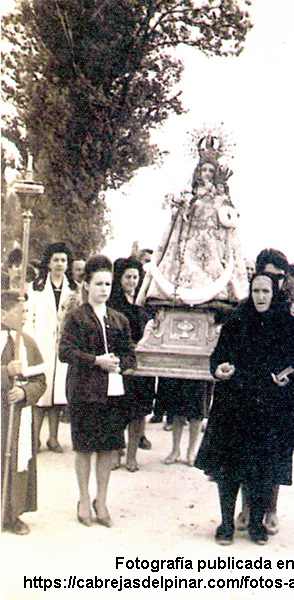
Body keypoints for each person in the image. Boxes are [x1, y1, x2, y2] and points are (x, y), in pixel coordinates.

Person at [195, 273, 294, 545]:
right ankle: (226, 524)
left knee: (262, 468)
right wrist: (219, 369)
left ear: (273, 293)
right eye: (256, 291)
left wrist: (287, 375)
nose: (260, 296)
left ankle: (257, 523)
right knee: (228, 467)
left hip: (268, 405)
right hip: (234, 403)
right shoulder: (236, 320)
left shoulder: (286, 323)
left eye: (265, 291)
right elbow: (218, 356)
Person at [58, 255, 136, 527]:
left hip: (112, 392)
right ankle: (83, 499)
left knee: (107, 448)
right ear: (87, 285)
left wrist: (119, 363)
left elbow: (130, 355)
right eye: (98, 284)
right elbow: (65, 352)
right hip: (84, 391)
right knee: (84, 448)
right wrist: (96, 361)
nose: (104, 289)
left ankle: (100, 500)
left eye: (107, 284)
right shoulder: (76, 317)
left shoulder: (119, 319)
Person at [137, 138, 248, 306]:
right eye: (204, 170)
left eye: (211, 171)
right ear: (199, 171)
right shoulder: (190, 192)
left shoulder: (219, 193)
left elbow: (228, 214)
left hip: (213, 242)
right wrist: (184, 205)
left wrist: (220, 196)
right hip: (189, 239)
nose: (207, 174)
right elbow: (184, 207)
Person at [26, 243, 80, 453]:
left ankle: (53, 438)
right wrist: (32, 344)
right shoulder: (36, 287)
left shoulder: (74, 289)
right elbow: (29, 318)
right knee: (41, 394)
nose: (59, 264)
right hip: (41, 344)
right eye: (56, 260)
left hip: (63, 347)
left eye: (63, 260)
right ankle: (35, 438)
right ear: (48, 263)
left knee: (58, 395)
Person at [1, 291, 46, 534]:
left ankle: (13, 514)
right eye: (20, 312)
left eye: (27, 311)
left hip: (17, 416)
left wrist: (24, 392)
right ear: (3, 314)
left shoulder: (28, 343)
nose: (25, 316)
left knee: (16, 461)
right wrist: (5, 371)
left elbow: (40, 382)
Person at [107, 257, 155, 471]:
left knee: (139, 412)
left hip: (142, 363)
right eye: (128, 277)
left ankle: (132, 456)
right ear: (119, 278)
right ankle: (116, 453)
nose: (132, 281)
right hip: (121, 361)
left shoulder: (145, 302)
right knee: (117, 411)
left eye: (136, 277)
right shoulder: (113, 303)